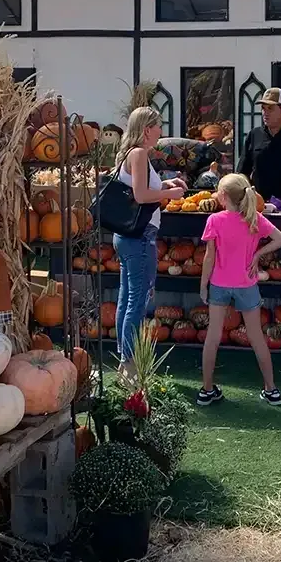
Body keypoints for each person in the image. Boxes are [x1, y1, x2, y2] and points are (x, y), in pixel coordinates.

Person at [196, 173, 281, 407]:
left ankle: (207, 390)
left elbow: (209, 257)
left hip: (219, 284)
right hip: (247, 284)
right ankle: (271, 389)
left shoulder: (214, 220)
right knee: (257, 337)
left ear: (223, 196)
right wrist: (257, 254)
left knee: (213, 337)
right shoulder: (254, 218)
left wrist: (203, 284)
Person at [113, 106, 186, 378]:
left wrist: (165, 186)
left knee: (126, 299)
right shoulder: (141, 154)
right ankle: (130, 364)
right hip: (141, 237)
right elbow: (142, 196)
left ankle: (124, 360)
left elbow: (138, 191)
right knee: (137, 301)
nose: (161, 132)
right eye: (158, 126)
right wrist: (173, 193)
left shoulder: (127, 154)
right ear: (146, 130)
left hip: (126, 237)